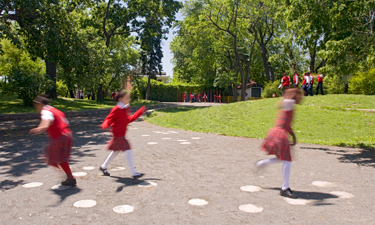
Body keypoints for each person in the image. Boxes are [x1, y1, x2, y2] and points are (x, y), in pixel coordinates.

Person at [255, 88, 303, 199]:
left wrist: (293, 134)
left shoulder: (290, 105)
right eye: (300, 95)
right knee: (287, 160)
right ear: (294, 96)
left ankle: (262, 163)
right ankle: (285, 188)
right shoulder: (289, 103)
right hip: (279, 134)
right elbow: (286, 103)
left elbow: (286, 123)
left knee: (283, 159)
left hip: (278, 132)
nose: (301, 98)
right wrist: (289, 97)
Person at [29, 95, 76, 186]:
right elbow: (65, 122)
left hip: (59, 137)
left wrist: (41, 128)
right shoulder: (55, 110)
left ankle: (69, 177)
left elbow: (47, 121)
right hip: (67, 135)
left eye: (36, 105)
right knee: (60, 158)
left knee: (52, 157)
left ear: (40, 104)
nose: (36, 107)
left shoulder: (46, 111)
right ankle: (70, 178)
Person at [99, 90, 146, 179]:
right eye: (127, 98)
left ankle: (103, 167)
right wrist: (105, 124)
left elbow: (128, 119)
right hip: (118, 135)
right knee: (128, 150)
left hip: (121, 134)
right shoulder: (116, 109)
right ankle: (134, 172)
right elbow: (109, 118)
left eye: (129, 97)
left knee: (115, 151)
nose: (129, 99)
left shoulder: (124, 109)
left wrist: (139, 113)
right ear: (121, 99)